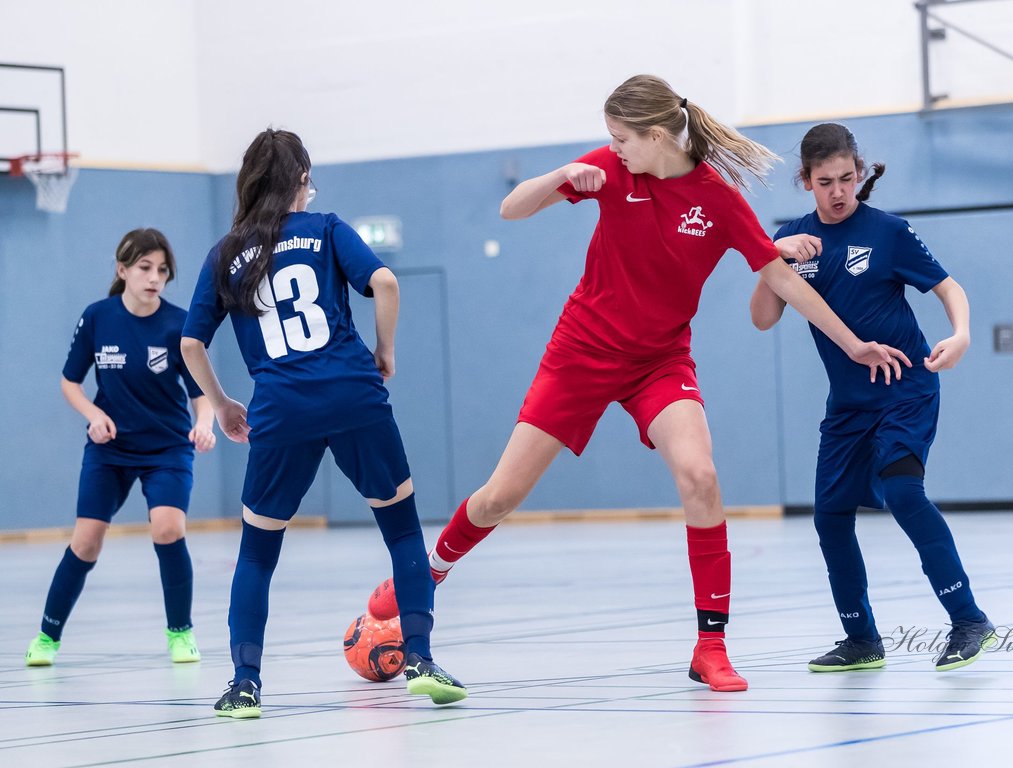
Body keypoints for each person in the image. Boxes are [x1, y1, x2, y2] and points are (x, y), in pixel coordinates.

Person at [422, 75, 907, 692]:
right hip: (583, 352)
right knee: (498, 497)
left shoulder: (718, 199)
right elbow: (510, 207)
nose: (614, 148)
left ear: (656, 137)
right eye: (609, 140)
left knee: (701, 478)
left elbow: (783, 280)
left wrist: (853, 343)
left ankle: (711, 646)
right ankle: (423, 577)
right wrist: (564, 174)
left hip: (660, 360)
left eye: (621, 138)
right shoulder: (608, 169)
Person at [180, 129, 466, 719]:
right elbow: (384, 282)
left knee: (257, 554)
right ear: (299, 179)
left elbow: (189, 344)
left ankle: (244, 684)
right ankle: (420, 658)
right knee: (403, 532)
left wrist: (225, 402)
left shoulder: (225, 253)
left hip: (280, 407)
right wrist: (384, 350)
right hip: (353, 394)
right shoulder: (328, 227)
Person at [750, 123, 996, 672]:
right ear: (805, 182)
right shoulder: (794, 239)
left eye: (846, 178)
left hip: (904, 389)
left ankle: (969, 619)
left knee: (904, 494)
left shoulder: (888, 232)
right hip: (848, 405)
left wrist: (961, 333)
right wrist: (770, 255)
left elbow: (948, 287)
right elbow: (763, 318)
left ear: (859, 174)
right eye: (825, 181)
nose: (838, 191)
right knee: (830, 518)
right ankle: (862, 640)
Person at [26, 228, 215, 667]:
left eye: (162, 270)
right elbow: (69, 382)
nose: (154, 278)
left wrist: (204, 423)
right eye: (145, 268)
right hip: (110, 450)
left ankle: (180, 633)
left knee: (168, 529)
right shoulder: (97, 317)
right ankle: (46, 637)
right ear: (122, 269)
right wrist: (94, 416)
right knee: (87, 542)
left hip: (167, 448)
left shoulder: (178, 324)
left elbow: (201, 393)